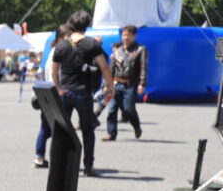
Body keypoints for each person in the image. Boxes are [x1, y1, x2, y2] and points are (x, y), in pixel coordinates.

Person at [51, 10, 114, 176]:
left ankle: (59, 164)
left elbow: (54, 70)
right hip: (83, 93)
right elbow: (104, 66)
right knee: (87, 130)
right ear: (88, 25)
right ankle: (88, 165)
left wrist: (58, 88)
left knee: (62, 129)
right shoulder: (92, 44)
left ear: (70, 23)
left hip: (65, 92)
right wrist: (110, 85)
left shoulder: (61, 45)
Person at [33, 25, 72, 168]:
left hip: (46, 92)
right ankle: (57, 159)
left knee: (45, 128)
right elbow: (55, 74)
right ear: (61, 38)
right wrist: (60, 88)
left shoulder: (51, 50)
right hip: (55, 92)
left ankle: (39, 157)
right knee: (58, 129)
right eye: (68, 36)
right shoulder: (60, 52)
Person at [103, 25, 147, 141]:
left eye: (128, 35)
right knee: (112, 109)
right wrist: (107, 84)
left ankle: (136, 126)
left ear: (134, 36)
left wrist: (142, 83)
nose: (126, 37)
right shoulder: (118, 50)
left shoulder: (140, 49)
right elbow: (111, 68)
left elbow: (143, 68)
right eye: (124, 35)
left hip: (130, 84)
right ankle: (111, 133)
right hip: (116, 83)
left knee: (128, 109)